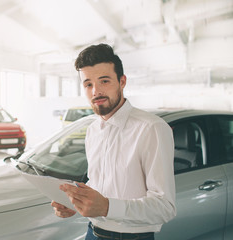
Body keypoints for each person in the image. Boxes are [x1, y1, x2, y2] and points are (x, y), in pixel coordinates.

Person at [51, 43, 176, 240]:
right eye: (88, 84)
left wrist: (108, 207)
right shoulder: (93, 130)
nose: (95, 91)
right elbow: (100, 183)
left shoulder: (151, 128)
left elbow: (165, 207)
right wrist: (76, 202)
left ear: (122, 81)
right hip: (92, 232)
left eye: (104, 81)